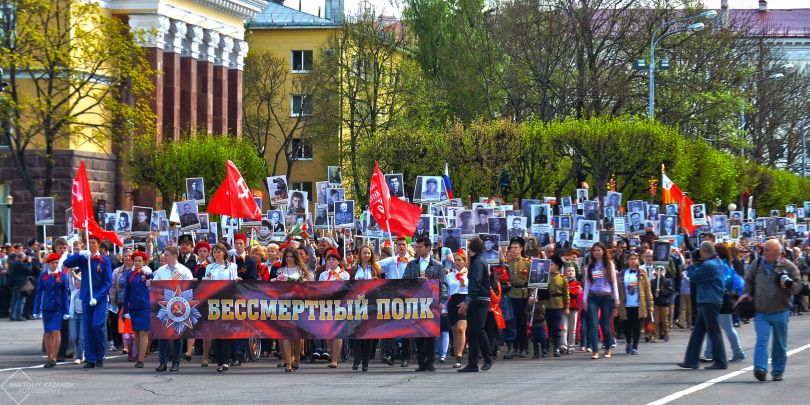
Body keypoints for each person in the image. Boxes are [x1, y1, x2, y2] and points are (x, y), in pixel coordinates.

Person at [739, 239, 804, 381]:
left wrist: (789, 285)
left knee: (779, 343)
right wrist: (747, 293)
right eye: (764, 249)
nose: (764, 252)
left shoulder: (788, 266)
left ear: (777, 252)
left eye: (768, 250)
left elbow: (799, 286)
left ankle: (778, 371)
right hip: (761, 310)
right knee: (762, 340)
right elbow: (748, 280)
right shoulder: (756, 264)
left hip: (781, 310)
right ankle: (760, 369)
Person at [62, 235, 113, 368]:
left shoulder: (104, 260)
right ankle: (90, 358)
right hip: (86, 297)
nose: (91, 244)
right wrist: (80, 254)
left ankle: (100, 355)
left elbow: (108, 282)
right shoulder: (84, 259)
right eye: (89, 242)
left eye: (94, 242)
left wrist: (98, 297)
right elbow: (67, 263)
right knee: (87, 328)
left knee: (97, 326)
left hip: (99, 299)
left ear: (99, 244)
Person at [677, 241, 727, 370]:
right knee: (698, 332)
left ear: (704, 252)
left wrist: (691, 265)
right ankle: (691, 360)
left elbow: (694, 276)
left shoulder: (709, 265)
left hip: (709, 300)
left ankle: (721, 361)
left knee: (714, 332)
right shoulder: (718, 262)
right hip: (710, 300)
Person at [403, 237, 448, 371]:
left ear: (428, 248)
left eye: (420, 246)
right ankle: (421, 361)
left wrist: (442, 300)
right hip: (416, 302)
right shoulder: (412, 264)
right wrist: (416, 281)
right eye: (417, 246)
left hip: (432, 302)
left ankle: (430, 361)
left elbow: (443, 284)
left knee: (430, 333)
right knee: (418, 333)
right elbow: (404, 281)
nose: (417, 249)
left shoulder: (437, 265)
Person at [152, 247, 194, 372]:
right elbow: (155, 286)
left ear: (175, 255)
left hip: (179, 306)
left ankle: (176, 362)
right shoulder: (160, 270)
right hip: (164, 306)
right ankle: (162, 362)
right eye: (164, 255)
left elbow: (190, 288)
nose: (165, 257)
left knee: (177, 335)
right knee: (162, 335)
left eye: (167, 255)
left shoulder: (184, 271)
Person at [703, 244, 746, 364]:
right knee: (718, 327)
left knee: (724, 327)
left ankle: (737, 352)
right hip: (723, 298)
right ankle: (710, 353)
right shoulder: (726, 264)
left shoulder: (721, 265)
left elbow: (724, 281)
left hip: (721, 298)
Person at [456, 237, 493, 372]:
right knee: (471, 332)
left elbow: (476, 283)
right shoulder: (477, 260)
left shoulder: (478, 262)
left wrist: (467, 301)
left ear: (471, 248)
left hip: (480, 300)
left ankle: (488, 358)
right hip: (476, 299)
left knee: (478, 329)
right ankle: (472, 363)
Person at [274, 247, 311, 372]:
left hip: (299, 304)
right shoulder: (281, 271)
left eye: (291, 256)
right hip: (284, 304)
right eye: (287, 257)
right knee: (286, 334)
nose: (289, 259)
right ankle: (288, 362)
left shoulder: (301, 271)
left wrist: (304, 282)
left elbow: (308, 287)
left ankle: (297, 359)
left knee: (297, 335)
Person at [204, 244, 238, 372]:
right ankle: (219, 360)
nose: (216, 254)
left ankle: (226, 360)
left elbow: (234, 279)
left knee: (227, 331)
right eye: (214, 252)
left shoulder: (231, 266)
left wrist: (236, 280)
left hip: (227, 300)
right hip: (214, 301)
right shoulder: (209, 267)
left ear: (224, 253)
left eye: (219, 251)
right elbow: (206, 283)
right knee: (216, 331)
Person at [582, 242, 619, 359]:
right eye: (594, 251)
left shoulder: (609, 265)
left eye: (599, 250)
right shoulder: (590, 266)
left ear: (603, 251)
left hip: (606, 296)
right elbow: (587, 284)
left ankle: (607, 348)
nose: (596, 252)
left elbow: (614, 282)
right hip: (593, 296)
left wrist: (616, 298)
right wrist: (584, 300)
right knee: (593, 323)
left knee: (605, 323)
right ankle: (595, 350)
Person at [33, 253, 70, 367]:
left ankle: (54, 356)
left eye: (56, 263)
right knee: (48, 332)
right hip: (47, 308)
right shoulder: (43, 276)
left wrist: (67, 311)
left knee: (56, 330)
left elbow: (65, 294)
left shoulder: (62, 275)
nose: (54, 265)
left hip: (58, 309)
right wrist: (35, 310)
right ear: (48, 264)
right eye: (52, 263)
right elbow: (39, 293)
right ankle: (49, 358)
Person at [350, 245, 381, 372]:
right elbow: (349, 285)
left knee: (368, 333)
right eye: (364, 253)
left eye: (368, 253)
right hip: (356, 303)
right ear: (359, 255)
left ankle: (366, 361)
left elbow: (381, 285)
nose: (366, 255)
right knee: (356, 332)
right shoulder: (354, 269)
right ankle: (357, 358)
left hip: (370, 303)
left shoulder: (375, 269)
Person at [319, 249, 349, 368]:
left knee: (337, 332)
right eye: (329, 260)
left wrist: (341, 283)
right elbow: (318, 289)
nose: (331, 262)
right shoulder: (323, 275)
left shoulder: (344, 274)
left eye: (334, 260)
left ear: (338, 261)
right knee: (328, 333)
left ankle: (335, 359)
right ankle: (331, 355)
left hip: (340, 305)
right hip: (326, 305)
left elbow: (348, 289)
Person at [122, 251, 152, 369]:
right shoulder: (130, 275)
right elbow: (126, 294)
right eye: (136, 261)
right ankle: (139, 355)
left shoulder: (149, 273)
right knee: (136, 333)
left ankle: (141, 359)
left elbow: (153, 287)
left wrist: (149, 276)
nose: (138, 263)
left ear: (144, 262)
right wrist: (125, 310)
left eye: (140, 261)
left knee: (143, 332)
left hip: (145, 306)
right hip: (134, 307)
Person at [505, 237, 531, 359]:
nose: (513, 250)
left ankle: (523, 347)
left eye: (516, 247)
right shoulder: (507, 265)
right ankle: (512, 347)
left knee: (522, 322)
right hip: (510, 295)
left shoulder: (527, 263)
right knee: (511, 322)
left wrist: (532, 295)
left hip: (523, 294)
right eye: (512, 247)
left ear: (521, 249)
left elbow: (533, 281)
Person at [446, 252, 469, 368]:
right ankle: (457, 357)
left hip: (464, 300)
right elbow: (447, 291)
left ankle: (460, 354)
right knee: (454, 331)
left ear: (465, 261)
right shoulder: (449, 276)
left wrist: (467, 303)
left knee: (461, 328)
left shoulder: (468, 274)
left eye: (459, 260)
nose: (457, 262)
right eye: (455, 260)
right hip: (452, 302)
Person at [544, 255, 570, 357]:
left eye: (552, 264)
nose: (550, 266)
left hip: (558, 304)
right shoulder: (545, 276)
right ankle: (546, 347)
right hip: (546, 304)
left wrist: (567, 307)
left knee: (556, 327)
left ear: (557, 266)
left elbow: (566, 294)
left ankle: (556, 348)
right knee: (547, 327)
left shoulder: (562, 278)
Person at [561, 265, 581, 354]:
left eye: (572, 271)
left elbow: (574, 294)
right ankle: (563, 345)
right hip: (564, 307)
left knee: (572, 329)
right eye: (569, 271)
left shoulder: (577, 283)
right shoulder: (562, 282)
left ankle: (571, 346)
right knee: (564, 328)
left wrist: (565, 290)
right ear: (565, 272)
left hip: (573, 308)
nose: (571, 272)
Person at [650, 265, 673, 342]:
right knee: (656, 320)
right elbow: (650, 292)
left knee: (664, 320)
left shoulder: (667, 281)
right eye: (657, 270)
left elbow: (670, 290)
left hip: (664, 303)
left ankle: (666, 333)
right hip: (656, 303)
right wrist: (654, 293)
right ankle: (656, 335)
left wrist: (661, 291)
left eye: (661, 270)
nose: (659, 272)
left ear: (664, 271)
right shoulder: (652, 282)